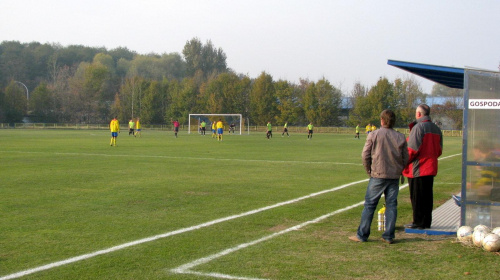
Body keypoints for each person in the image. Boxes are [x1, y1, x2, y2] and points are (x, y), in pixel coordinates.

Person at [349, 109, 408, 244]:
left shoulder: (374, 135)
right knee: (391, 205)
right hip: (393, 176)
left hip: (378, 174)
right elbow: (406, 157)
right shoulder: (400, 136)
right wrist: (400, 170)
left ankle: (362, 235)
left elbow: (365, 155)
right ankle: (388, 236)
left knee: (370, 205)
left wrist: (368, 170)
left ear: (382, 120)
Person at [403, 104, 443, 230]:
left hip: (418, 168)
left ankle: (418, 222)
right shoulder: (436, 128)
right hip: (431, 167)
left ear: (419, 114)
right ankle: (426, 221)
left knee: (417, 196)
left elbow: (412, 150)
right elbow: (439, 150)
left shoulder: (418, 127)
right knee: (427, 196)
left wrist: (404, 162)